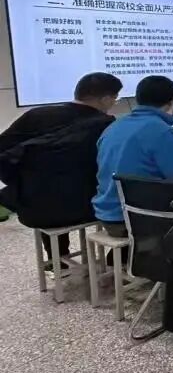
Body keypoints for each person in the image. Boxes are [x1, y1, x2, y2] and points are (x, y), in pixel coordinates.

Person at [0, 72, 122, 261]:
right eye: (115, 98)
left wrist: (21, 182)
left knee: (47, 187)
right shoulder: (105, 124)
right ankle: (116, 261)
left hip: (31, 208)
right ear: (106, 99)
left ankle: (57, 260)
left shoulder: (36, 115)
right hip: (85, 208)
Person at [93, 76, 173, 236]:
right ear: (171, 101)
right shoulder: (162, 131)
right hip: (140, 218)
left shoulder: (113, 126)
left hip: (107, 214)